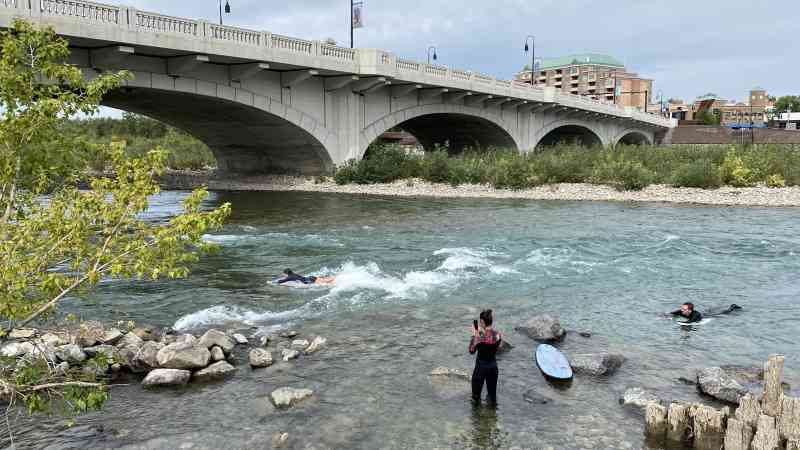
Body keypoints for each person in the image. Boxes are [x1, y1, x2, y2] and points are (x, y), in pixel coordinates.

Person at [469, 309, 502, 406]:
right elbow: (489, 340)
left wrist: (474, 335)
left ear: (483, 322)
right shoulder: (498, 335)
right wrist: (480, 333)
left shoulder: (479, 337)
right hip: (493, 367)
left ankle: (476, 419)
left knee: (476, 397)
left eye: (480, 322)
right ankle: (493, 417)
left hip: (480, 368)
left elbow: (471, 351)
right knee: (492, 396)